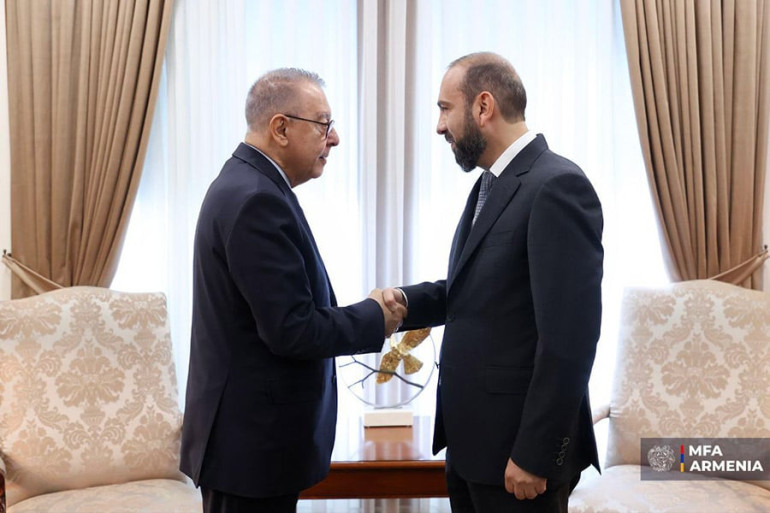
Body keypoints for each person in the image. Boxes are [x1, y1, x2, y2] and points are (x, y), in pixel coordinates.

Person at [383, 52, 604, 512]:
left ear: (483, 107)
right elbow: (476, 292)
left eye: (445, 109)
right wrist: (404, 301)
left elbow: (570, 341)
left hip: (518, 460)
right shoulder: (491, 184)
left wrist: (535, 453)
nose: (440, 127)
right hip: (473, 450)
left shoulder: (557, 186)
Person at [180, 68, 405, 513]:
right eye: (323, 124)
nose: (334, 138)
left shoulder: (251, 184)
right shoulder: (255, 198)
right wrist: (375, 315)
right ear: (280, 128)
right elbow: (292, 329)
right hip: (250, 449)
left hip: (251, 444)